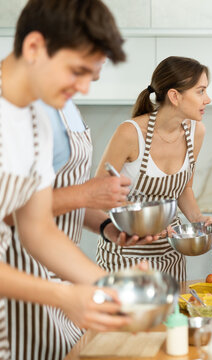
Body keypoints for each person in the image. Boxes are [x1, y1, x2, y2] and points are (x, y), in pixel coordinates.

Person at [0, 0, 130, 358]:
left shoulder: (36, 121)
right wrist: (61, 294)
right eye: (77, 71)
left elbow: (38, 228)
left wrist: (115, 288)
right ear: (34, 48)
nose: (85, 88)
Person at [95, 56, 212, 282]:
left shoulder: (196, 132)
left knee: (173, 318)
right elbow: (99, 191)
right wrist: (144, 219)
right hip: (124, 255)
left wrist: (197, 220)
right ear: (175, 96)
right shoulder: (130, 133)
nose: (208, 99)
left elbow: (184, 188)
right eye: (200, 91)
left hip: (169, 254)